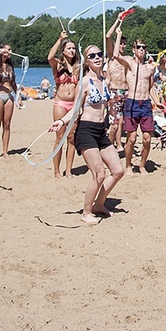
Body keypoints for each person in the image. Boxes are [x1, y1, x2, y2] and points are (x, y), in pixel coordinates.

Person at [49, 45, 125, 224]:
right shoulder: (84, 82)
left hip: (101, 131)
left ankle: (99, 204)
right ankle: (86, 212)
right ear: (87, 61)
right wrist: (61, 121)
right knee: (99, 174)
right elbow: (76, 109)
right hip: (85, 131)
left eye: (99, 54)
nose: (97, 57)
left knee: (118, 170)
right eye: (92, 55)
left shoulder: (104, 79)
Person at [113, 29, 163, 175]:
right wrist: (119, 35)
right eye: (139, 47)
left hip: (145, 104)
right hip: (132, 102)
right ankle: (128, 165)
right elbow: (116, 55)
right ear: (134, 49)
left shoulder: (150, 68)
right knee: (132, 138)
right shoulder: (129, 62)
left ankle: (142, 165)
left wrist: (157, 101)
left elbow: (151, 87)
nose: (141, 49)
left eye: (144, 47)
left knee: (147, 139)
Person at [47, 31, 80, 179]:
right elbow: (49, 57)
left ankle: (69, 170)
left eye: (74, 48)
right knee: (59, 138)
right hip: (60, 103)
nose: (72, 50)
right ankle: (56, 171)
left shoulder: (79, 67)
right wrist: (60, 39)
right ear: (63, 50)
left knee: (71, 138)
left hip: (74, 104)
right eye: (69, 48)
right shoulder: (58, 65)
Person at [106, 19, 129, 151]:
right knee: (114, 123)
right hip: (114, 92)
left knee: (122, 121)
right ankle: (109, 146)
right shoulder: (111, 57)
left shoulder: (126, 59)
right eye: (121, 44)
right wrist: (118, 21)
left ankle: (119, 144)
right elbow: (108, 36)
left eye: (124, 44)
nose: (122, 46)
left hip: (125, 92)